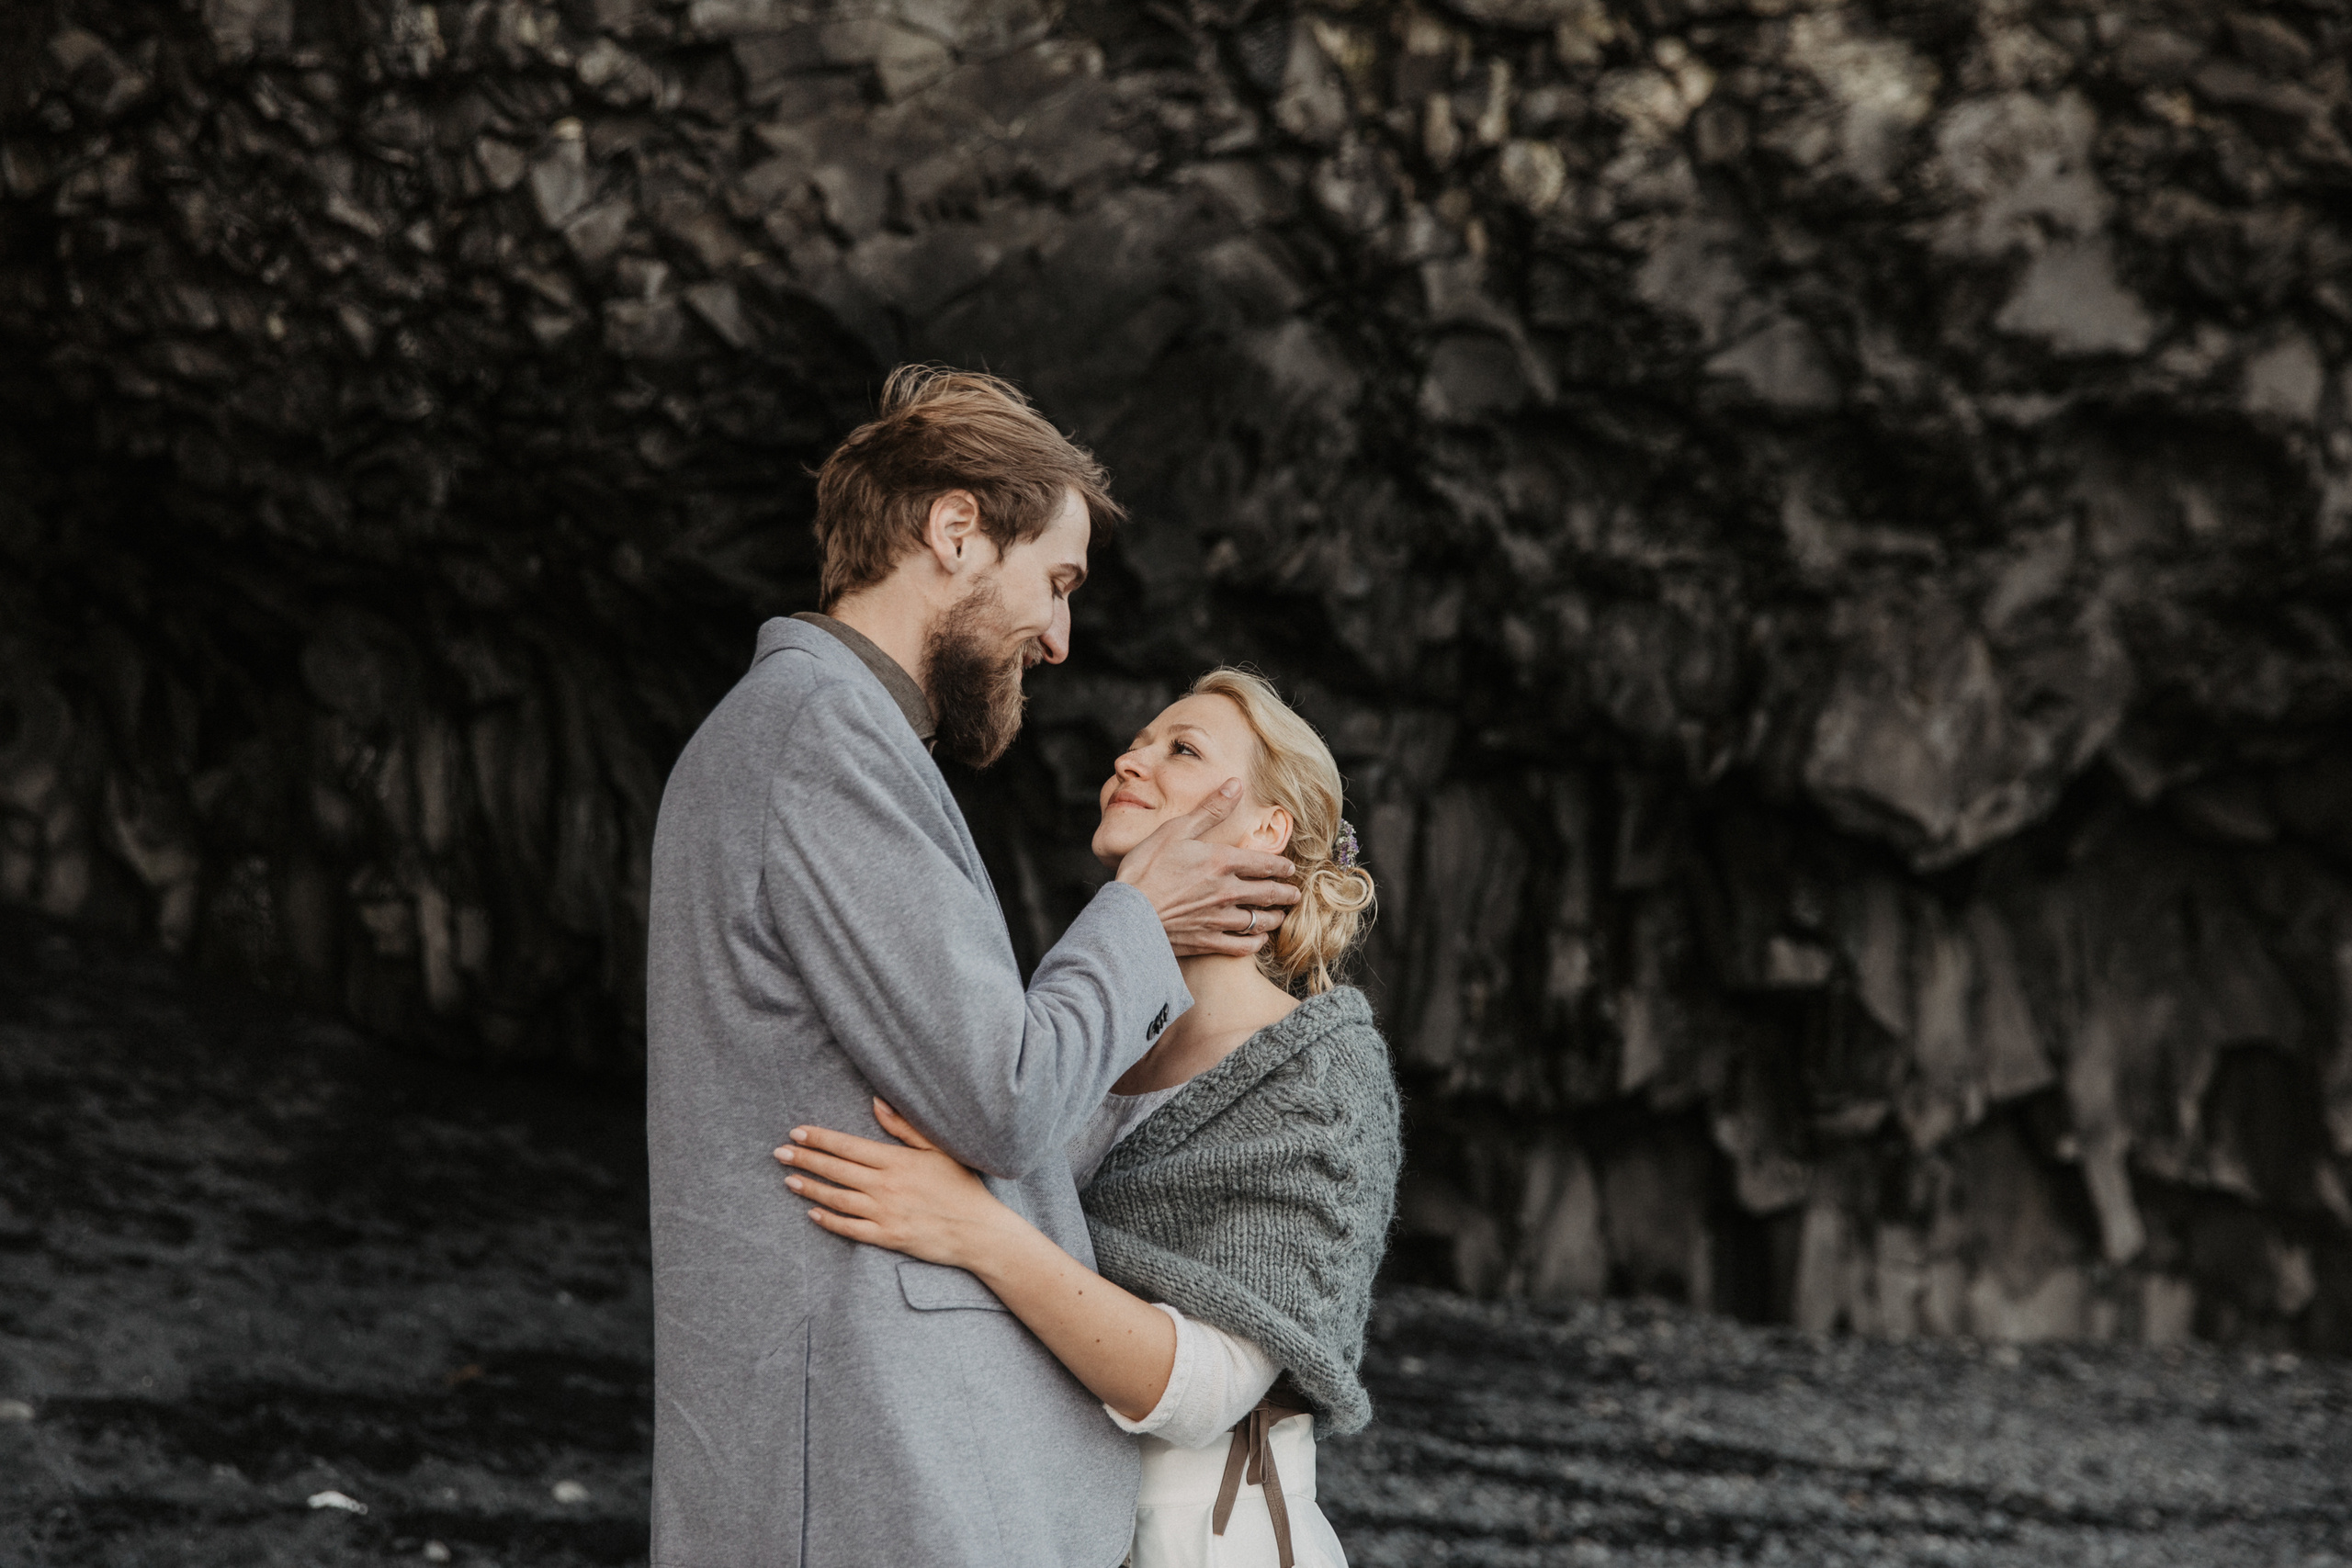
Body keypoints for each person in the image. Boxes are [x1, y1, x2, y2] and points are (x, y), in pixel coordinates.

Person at [644, 368, 1306, 1568]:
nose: (1059, 637)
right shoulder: (821, 737)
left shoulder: (813, 730)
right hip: (873, 1476)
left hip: (853, 1466)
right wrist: (1141, 914)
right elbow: (1002, 1096)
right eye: (1056, 582)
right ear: (955, 531)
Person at [777, 668, 1403, 1568]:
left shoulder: (1317, 1075)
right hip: (1025, 1516)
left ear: (1267, 830)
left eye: (1181, 749)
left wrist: (972, 1229)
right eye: (1136, 743)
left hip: (1195, 1540)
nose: (1130, 760)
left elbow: (1210, 1392)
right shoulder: (1082, 1028)